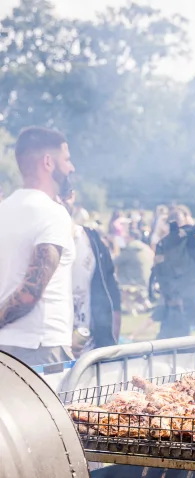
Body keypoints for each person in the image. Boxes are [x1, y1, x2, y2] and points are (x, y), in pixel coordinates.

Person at [0, 127, 76, 366]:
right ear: (48, 162)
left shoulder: (4, 210)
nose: (71, 167)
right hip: (40, 348)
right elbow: (29, 293)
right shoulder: (53, 214)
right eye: (66, 159)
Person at [61, 192, 121, 353]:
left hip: (89, 345)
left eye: (63, 197)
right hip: (51, 346)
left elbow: (112, 293)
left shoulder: (91, 241)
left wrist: (111, 344)